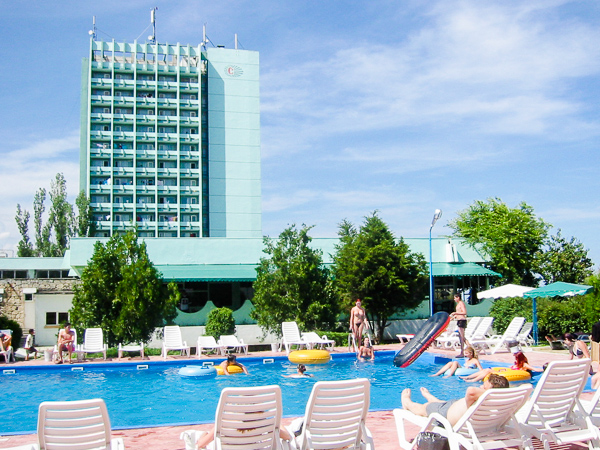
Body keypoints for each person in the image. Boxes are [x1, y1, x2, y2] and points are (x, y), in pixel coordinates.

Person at [401, 373, 509, 427]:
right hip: (452, 406)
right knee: (442, 403)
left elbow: (470, 390)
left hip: (445, 414)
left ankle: (407, 403)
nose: (481, 388)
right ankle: (431, 398)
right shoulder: (503, 402)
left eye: (484, 387)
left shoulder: (483, 397)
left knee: (424, 408)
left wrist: (491, 394)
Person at [460, 351, 541, 382]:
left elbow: (535, 369)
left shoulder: (524, 365)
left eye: (516, 357)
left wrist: (544, 369)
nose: (515, 358)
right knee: (486, 369)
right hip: (505, 372)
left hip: (507, 375)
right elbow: (510, 369)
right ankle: (468, 377)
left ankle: (473, 380)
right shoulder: (516, 364)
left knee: (488, 371)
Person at [450, 293, 467, 357]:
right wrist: (453, 317)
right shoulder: (458, 304)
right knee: (461, 337)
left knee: (462, 337)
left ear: (458, 297)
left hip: (462, 321)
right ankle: (464, 351)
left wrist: (455, 313)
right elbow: (458, 313)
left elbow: (464, 312)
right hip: (459, 320)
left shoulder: (461, 303)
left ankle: (463, 353)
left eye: (455, 298)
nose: (454, 299)